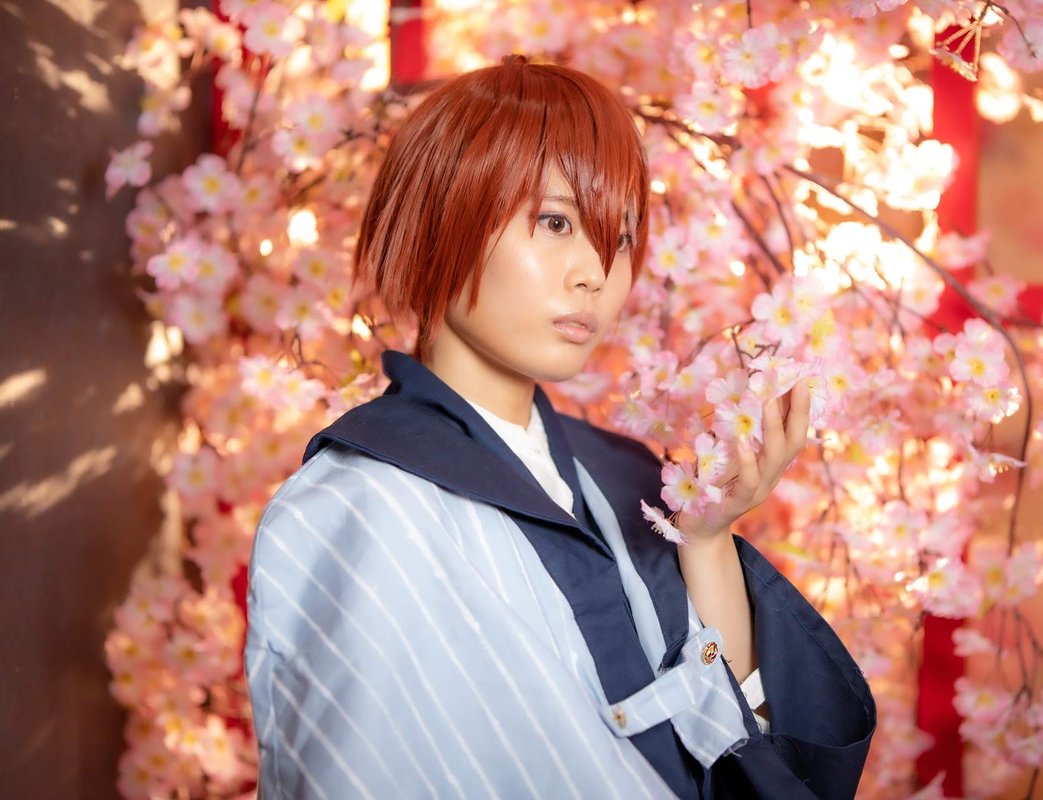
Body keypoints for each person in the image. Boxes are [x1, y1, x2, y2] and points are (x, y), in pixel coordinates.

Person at [244, 55, 875, 800]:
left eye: (621, 236)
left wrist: (707, 542)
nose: (595, 273)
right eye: (554, 222)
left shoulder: (629, 475)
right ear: (439, 216)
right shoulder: (352, 508)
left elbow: (741, 760)